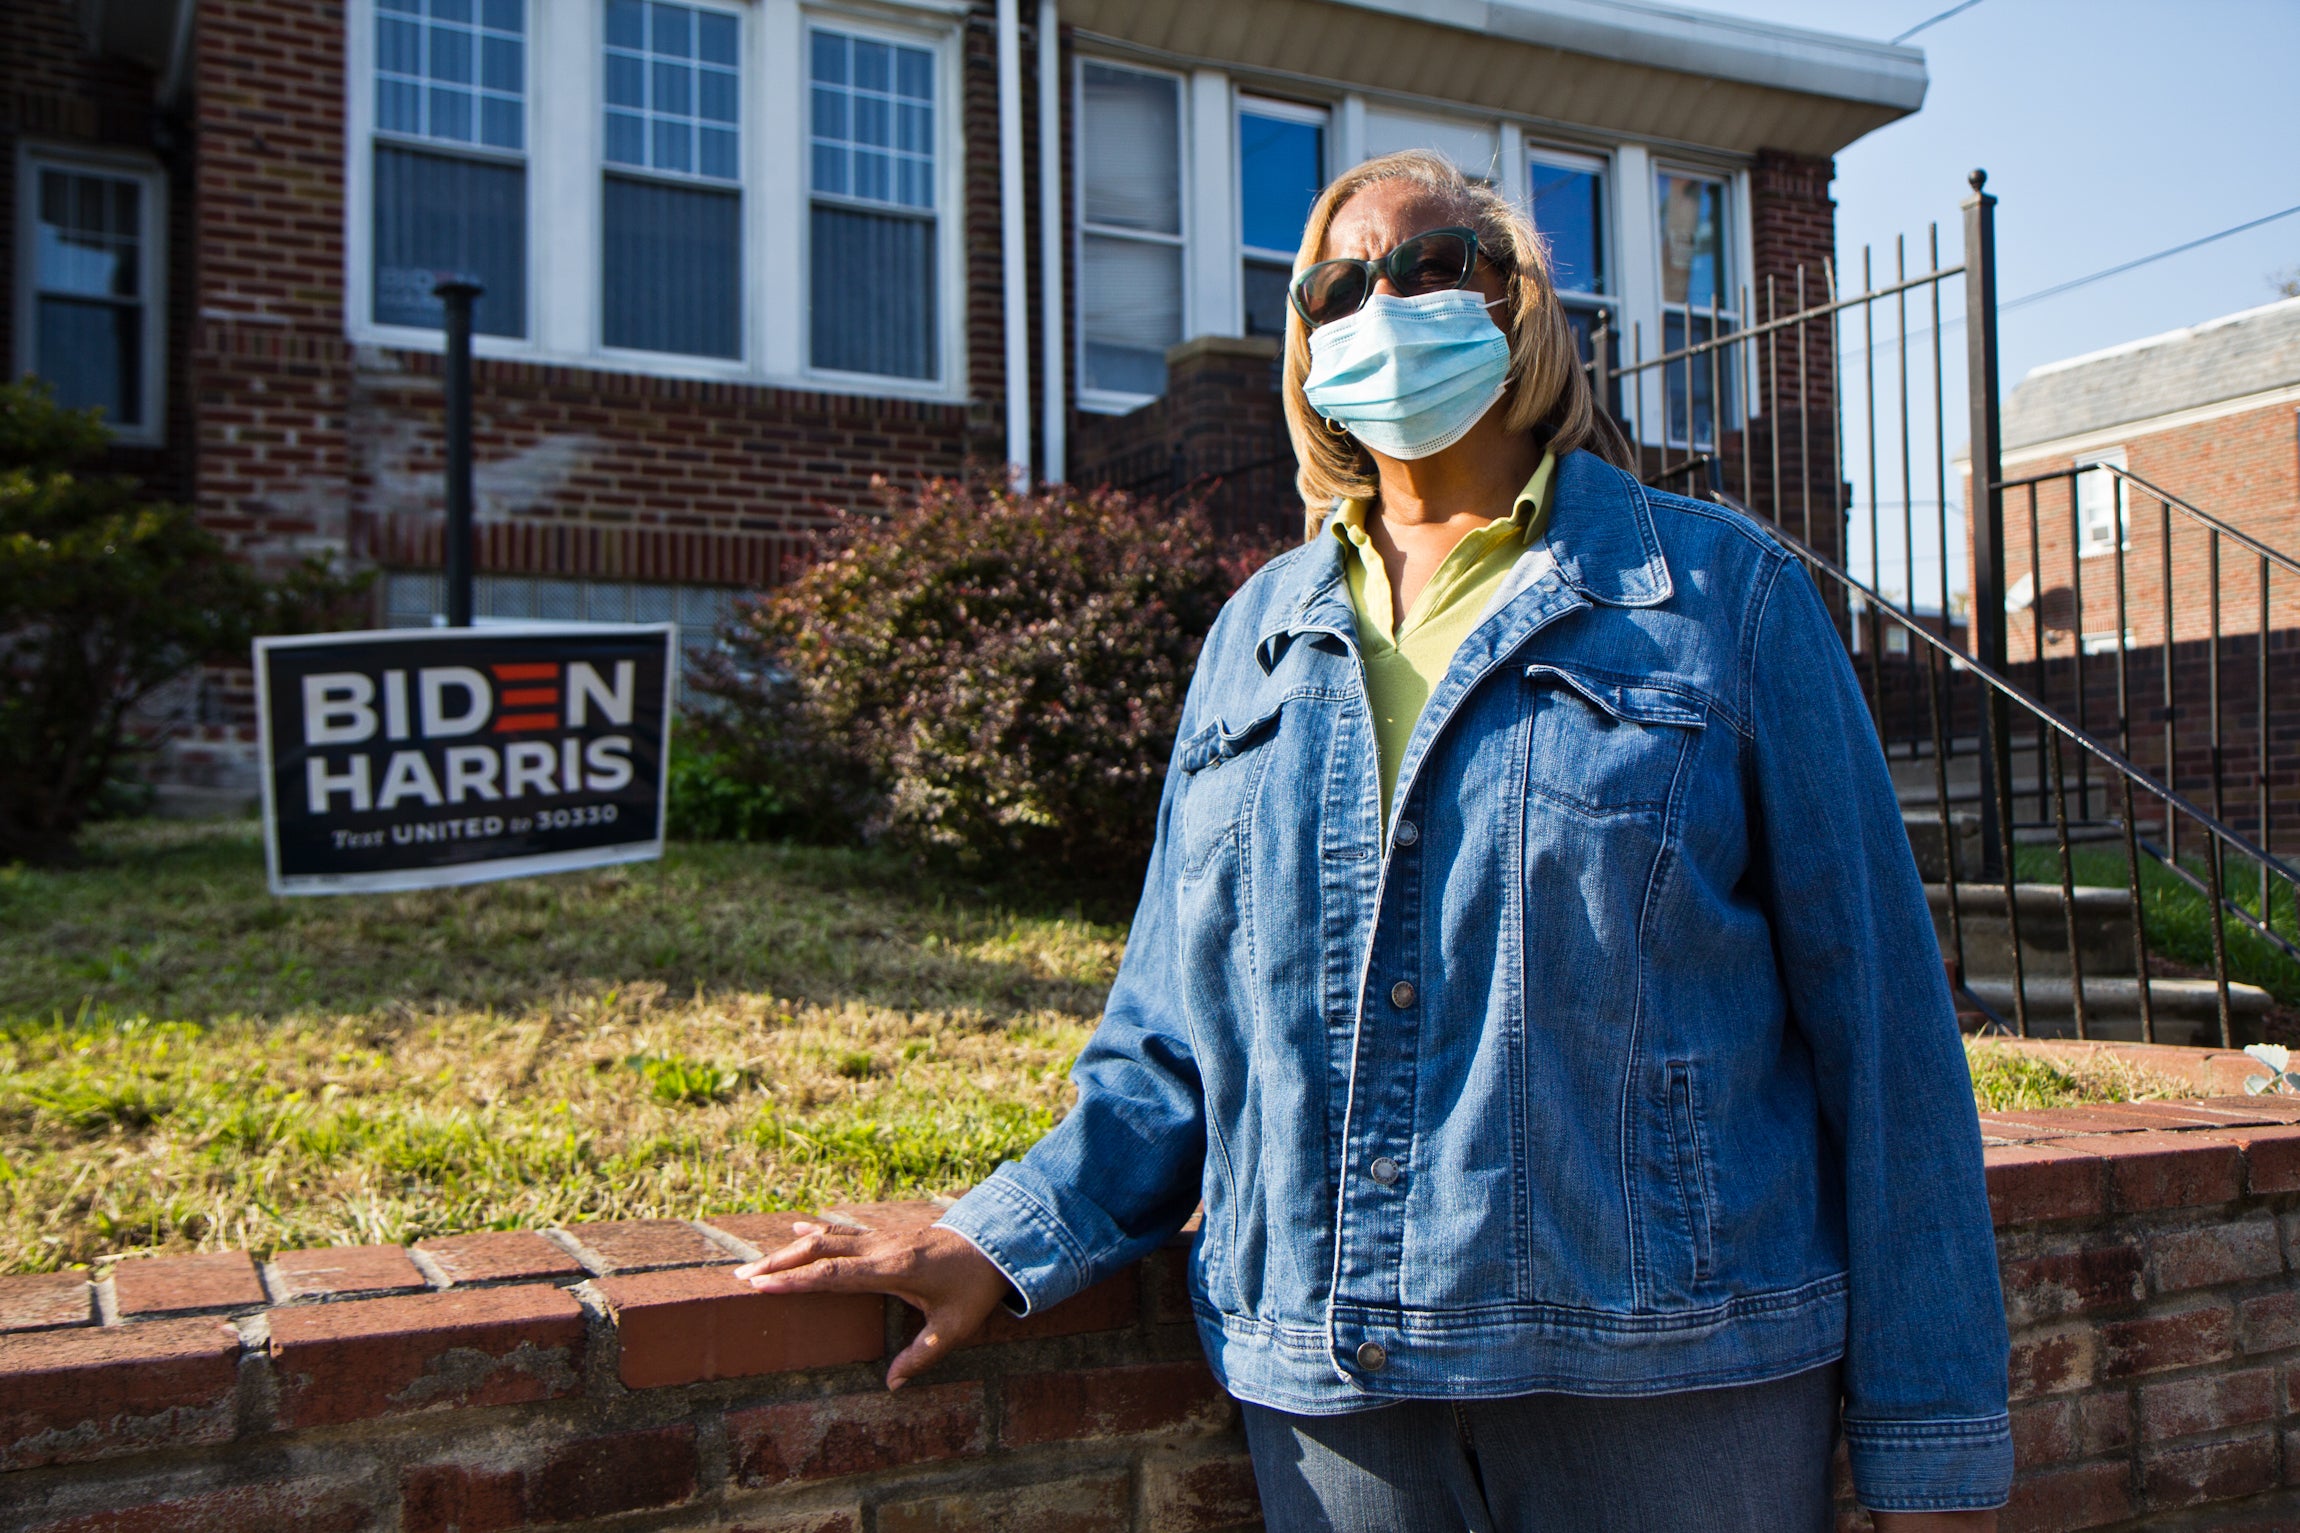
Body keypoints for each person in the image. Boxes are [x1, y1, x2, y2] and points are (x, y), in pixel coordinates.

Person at [734, 150, 2010, 1532]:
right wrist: (1001, 1235)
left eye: (1431, 265)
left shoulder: (1721, 593)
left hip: (1668, 1382)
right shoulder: (1258, 639)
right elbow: (1173, 1036)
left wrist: (1930, 1444)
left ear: (1518, 303)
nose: (1381, 305)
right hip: (1336, 1400)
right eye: (1337, 286)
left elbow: (1884, 1038)